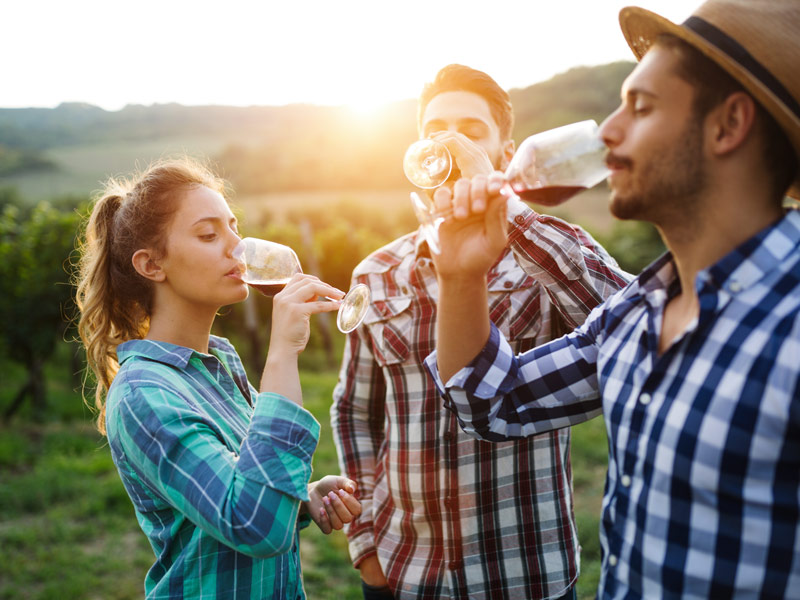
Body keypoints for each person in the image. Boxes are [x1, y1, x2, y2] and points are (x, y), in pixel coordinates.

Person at [425, 1, 800, 597]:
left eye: (641, 106)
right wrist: (462, 278)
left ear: (728, 125)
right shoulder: (633, 313)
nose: (607, 134)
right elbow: (488, 405)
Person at [331, 64, 631, 599]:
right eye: (433, 129)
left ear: (503, 151)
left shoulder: (544, 258)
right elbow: (355, 411)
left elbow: (638, 325)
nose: (448, 141)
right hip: (404, 570)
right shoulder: (374, 274)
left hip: (525, 572)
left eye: (470, 130)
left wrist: (504, 205)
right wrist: (367, 542)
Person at [75, 158, 362, 599]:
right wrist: (283, 352)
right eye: (209, 235)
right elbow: (254, 525)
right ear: (152, 265)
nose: (238, 248)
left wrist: (303, 496)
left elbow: (241, 479)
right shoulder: (143, 394)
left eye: (233, 228)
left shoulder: (219, 363)